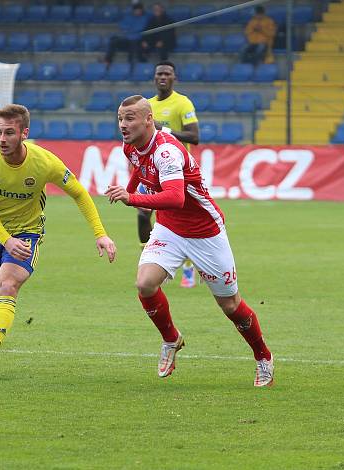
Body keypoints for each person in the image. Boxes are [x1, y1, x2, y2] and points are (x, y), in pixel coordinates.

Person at [104, 95, 274, 387]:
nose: (123, 124)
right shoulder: (129, 145)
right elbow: (139, 169)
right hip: (169, 228)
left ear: (148, 120)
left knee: (230, 305)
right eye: (120, 118)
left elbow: (175, 197)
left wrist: (131, 198)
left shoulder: (167, 152)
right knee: (145, 283)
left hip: (204, 231)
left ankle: (263, 357)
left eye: (129, 118)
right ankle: (171, 339)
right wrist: (128, 187)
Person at [0, 104, 117, 379]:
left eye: (9, 133)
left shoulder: (44, 162)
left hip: (27, 233)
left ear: (24, 133)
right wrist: (5, 239)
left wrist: (100, 233)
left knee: (8, 284)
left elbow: (80, 194)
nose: (2, 139)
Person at [144, 61, 200, 287]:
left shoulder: (182, 103)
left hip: (178, 172)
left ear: (174, 78)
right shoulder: (145, 105)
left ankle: (188, 267)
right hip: (152, 172)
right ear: (154, 78)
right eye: (159, 73)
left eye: (167, 73)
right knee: (142, 215)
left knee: (180, 222)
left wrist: (163, 129)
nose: (163, 77)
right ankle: (152, 261)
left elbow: (194, 136)